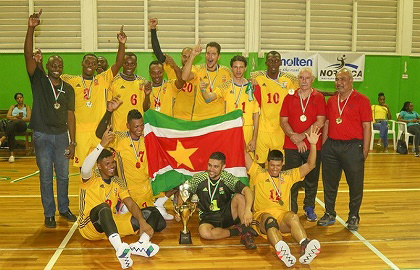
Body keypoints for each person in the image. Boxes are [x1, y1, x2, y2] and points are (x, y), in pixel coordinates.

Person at [78, 127, 164, 269]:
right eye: (107, 164)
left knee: (152, 213)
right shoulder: (91, 178)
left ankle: (141, 244)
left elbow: (130, 203)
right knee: (103, 208)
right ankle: (120, 249)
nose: (112, 166)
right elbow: (85, 168)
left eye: (113, 163)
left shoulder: (118, 182)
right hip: (90, 226)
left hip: (111, 224)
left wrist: (142, 221)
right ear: (99, 166)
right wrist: (101, 145)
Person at [24, 9, 77, 228]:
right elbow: (28, 55)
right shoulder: (38, 80)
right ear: (46, 66)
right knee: (46, 176)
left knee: (63, 176)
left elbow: (71, 115)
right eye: (53, 65)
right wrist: (31, 28)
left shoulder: (69, 88)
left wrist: (72, 141)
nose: (56, 68)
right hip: (42, 135)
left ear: (62, 68)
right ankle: (49, 213)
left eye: (59, 66)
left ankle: (63, 209)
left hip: (62, 137)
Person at [245, 126, 321, 267]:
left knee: (293, 216)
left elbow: (311, 165)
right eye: (272, 165)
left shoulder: (288, 176)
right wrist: (237, 130)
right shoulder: (258, 173)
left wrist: (313, 144)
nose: (274, 168)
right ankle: (282, 250)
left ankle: (305, 245)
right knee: (269, 220)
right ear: (267, 163)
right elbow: (244, 155)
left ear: (283, 164)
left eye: (278, 165)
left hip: (282, 218)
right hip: (262, 218)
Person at [61, 26, 126, 167]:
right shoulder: (71, 80)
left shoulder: (103, 79)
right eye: (87, 62)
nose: (90, 65)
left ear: (97, 66)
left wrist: (122, 44)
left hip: (99, 131)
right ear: (82, 63)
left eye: (93, 63)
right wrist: (39, 64)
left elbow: (119, 63)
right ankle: (86, 190)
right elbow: (50, 78)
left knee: (103, 166)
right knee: (84, 168)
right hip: (80, 133)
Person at [96, 97, 168, 220]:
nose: (139, 129)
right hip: (129, 191)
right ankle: (126, 206)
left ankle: (158, 203)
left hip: (147, 188)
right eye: (135, 127)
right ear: (128, 125)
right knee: (138, 218)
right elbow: (99, 134)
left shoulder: (147, 138)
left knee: (179, 172)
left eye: (141, 125)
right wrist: (109, 112)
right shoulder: (120, 138)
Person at [318, 68, 372, 231]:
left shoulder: (362, 100)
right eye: (337, 79)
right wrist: (324, 145)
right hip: (332, 146)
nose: (339, 83)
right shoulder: (332, 101)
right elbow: (327, 123)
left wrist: (365, 151)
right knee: (329, 183)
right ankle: (329, 213)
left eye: (342, 79)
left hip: (353, 147)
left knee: (355, 184)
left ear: (351, 81)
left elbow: (367, 127)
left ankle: (353, 215)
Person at [182, 152, 256, 249]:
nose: (211, 169)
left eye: (216, 167)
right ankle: (238, 231)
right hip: (208, 217)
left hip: (227, 214)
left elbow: (248, 191)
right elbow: (183, 191)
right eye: (210, 165)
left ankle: (246, 235)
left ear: (223, 167)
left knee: (240, 196)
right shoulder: (199, 178)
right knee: (204, 233)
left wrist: (247, 210)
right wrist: (181, 210)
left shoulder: (227, 178)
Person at [280, 67, 326, 221]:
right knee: (291, 179)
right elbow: (283, 121)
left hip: (312, 144)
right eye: (301, 78)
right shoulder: (289, 97)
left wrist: (302, 137)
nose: (304, 81)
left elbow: (320, 121)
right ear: (297, 80)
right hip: (291, 145)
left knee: (311, 178)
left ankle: (309, 207)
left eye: (307, 78)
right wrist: (294, 137)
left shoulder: (319, 97)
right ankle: (291, 209)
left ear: (312, 79)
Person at [199, 55, 259, 154]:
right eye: (235, 67)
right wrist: (203, 90)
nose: (238, 70)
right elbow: (208, 98)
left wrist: (254, 138)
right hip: (231, 129)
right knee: (231, 159)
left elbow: (256, 114)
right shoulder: (225, 86)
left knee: (248, 163)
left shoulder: (252, 87)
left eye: (241, 67)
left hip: (247, 129)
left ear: (245, 68)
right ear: (231, 68)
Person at [251, 51, 299, 167]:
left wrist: (329, 93)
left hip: (280, 130)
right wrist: (250, 81)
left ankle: (278, 185)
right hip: (263, 129)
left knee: (279, 164)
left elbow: (304, 90)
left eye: (276, 61)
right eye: (271, 61)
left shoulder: (288, 81)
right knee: (260, 164)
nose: (273, 63)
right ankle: (260, 185)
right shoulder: (258, 79)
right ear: (266, 62)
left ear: (281, 63)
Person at [149, 17, 198, 120]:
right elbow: (158, 52)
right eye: (184, 56)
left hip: (190, 118)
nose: (186, 59)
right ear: (181, 56)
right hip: (172, 118)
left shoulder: (195, 71)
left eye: (189, 57)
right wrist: (153, 29)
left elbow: (183, 77)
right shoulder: (171, 68)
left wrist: (175, 66)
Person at [108, 52, 150, 132]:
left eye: (132, 64)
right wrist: (109, 127)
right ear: (122, 64)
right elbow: (108, 107)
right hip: (119, 129)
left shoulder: (143, 82)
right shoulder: (113, 82)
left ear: (136, 65)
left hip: (137, 129)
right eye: (126, 63)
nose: (129, 67)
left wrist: (147, 95)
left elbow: (146, 109)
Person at [0, 92, 32, 162]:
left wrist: (19, 119)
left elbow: (29, 118)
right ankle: (12, 155)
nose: (19, 99)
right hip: (13, 126)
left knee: (15, 123)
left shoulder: (27, 107)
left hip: (22, 125)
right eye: (17, 98)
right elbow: (8, 116)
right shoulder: (13, 107)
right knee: (12, 130)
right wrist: (15, 117)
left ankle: (3, 138)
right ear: (16, 100)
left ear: (23, 98)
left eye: (20, 97)